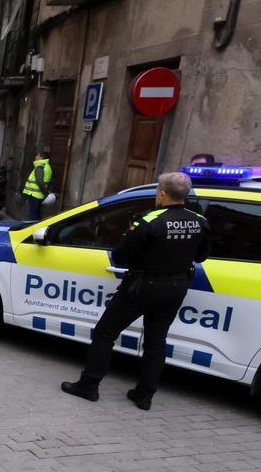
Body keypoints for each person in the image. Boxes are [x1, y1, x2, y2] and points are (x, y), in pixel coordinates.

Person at [61, 172, 210, 410]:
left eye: (156, 191)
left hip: (142, 287)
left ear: (162, 192)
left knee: (104, 333)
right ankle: (144, 395)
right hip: (176, 287)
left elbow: (120, 256)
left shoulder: (148, 221)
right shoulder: (199, 221)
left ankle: (88, 386)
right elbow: (201, 256)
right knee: (156, 341)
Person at [22, 148, 52, 222]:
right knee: (36, 214)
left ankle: (33, 231)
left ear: (41, 157)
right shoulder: (47, 166)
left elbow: (39, 181)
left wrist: (46, 192)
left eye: (37, 155)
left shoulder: (40, 167)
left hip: (35, 195)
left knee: (33, 215)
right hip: (38, 195)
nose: (35, 157)